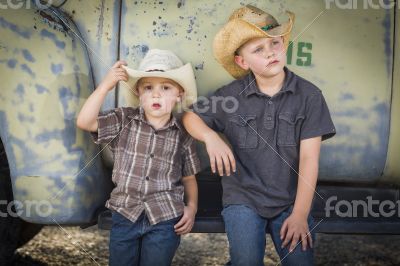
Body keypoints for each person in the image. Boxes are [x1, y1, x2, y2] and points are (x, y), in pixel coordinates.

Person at [182, 5, 336, 266]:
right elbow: (190, 117)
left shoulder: (309, 96)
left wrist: (300, 214)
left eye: (274, 43)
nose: (270, 53)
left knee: (300, 262)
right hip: (244, 199)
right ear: (242, 61)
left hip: (290, 200)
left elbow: (310, 159)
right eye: (258, 49)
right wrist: (211, 137)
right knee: (246, 261)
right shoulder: (231, 96)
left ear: (283, 44)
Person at [76, 49, 201, 266]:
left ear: (179, 94)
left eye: (165, 87)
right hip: (126, 213)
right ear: (138, 93)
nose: (155, 94)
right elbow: (85, 122)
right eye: (148, 87)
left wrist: (192, 208)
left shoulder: (183, 133)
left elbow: (189, 177)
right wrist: (106, 86)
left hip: (165, 216)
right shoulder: (124, 119)